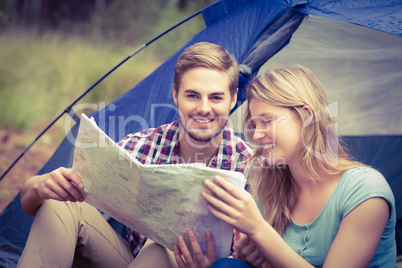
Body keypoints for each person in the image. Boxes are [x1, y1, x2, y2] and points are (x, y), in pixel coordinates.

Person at [17, 42, 253, 268]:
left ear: (233, 99)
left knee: (162, 247)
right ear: (175, 94)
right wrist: (40, 187)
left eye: (216, 97)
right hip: (130, 260)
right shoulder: (141, 146)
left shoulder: (251, 167)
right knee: (60, 204)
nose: (203, 108)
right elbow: (28, 201)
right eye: (192, 95)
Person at [176, 64, 396, 267]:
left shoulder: (365, 191)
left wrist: (258, 229)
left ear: (307, 117)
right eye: (254, 124)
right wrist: (247, 261)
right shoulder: (270, 187)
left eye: (268, 121)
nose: (257, 134)